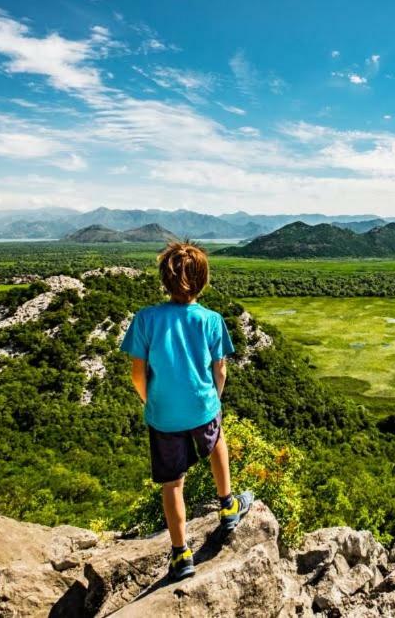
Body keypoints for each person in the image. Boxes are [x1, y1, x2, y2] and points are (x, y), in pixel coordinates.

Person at [121, 241, 253, 581]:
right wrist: (214, 400)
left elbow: (137, 373)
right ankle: (228, 505)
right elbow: (220, 370)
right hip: (202, 405)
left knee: (172, 484)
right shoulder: (211, 320)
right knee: (217, 442)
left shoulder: (146, 318)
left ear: (165, 279)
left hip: (163, 413)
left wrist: (148, 400)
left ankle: (181, 556)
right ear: (202, 281)